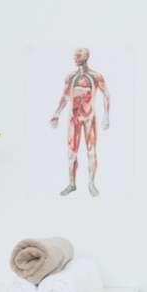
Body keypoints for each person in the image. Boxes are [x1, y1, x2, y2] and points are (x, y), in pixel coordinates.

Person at [50, 47, 110, 197]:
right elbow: (64, 97)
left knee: (91, 151)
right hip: (73, 118)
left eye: (78, 56)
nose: (75, 59)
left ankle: (91, 183)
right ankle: (72, 184)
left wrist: (106, 115)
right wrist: (57, 113)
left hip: (89, 117)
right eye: (75, 56)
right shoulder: (70, 77)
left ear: (84, 58)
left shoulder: (96, 76)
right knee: (71, 152)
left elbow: (106, 95)